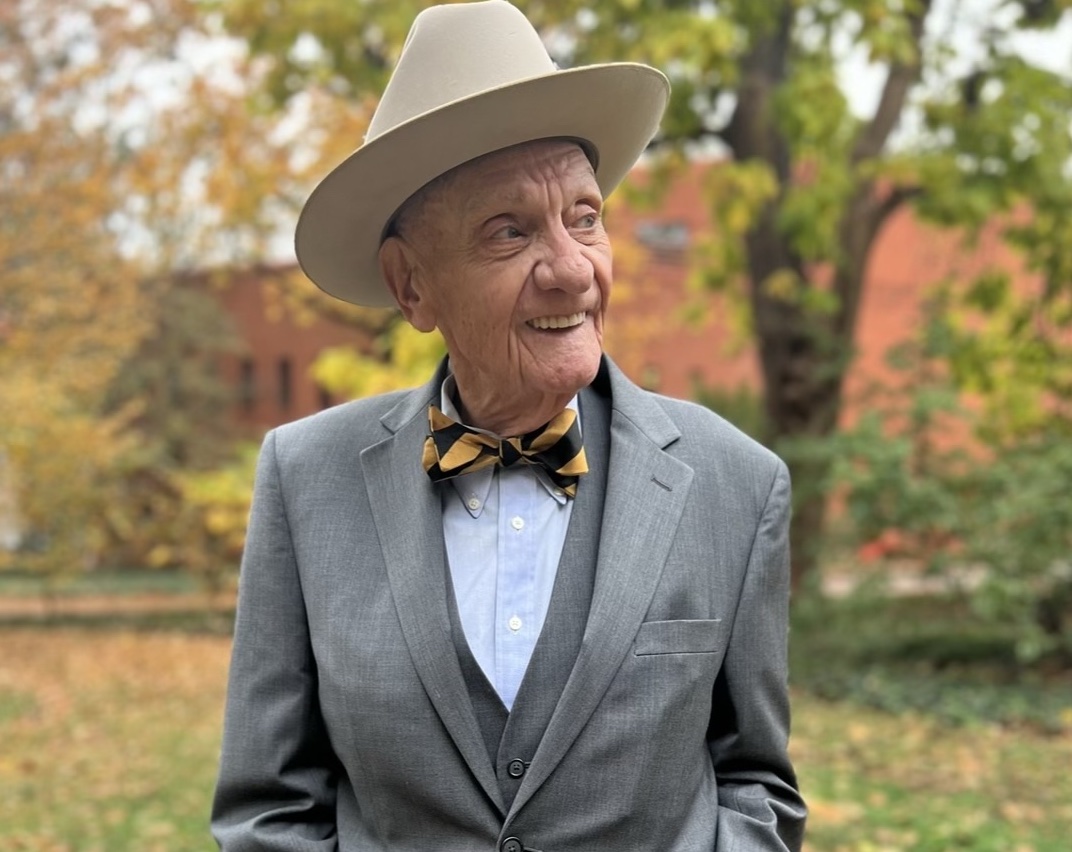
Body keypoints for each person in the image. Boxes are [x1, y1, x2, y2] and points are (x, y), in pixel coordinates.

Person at [211, 2, 807, 850]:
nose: (572, 269)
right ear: (411, 285)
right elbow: (268, 809)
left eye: (586, 216)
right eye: (509, 230)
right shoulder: (305, 478)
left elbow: (756, 786)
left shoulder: (736, 483)